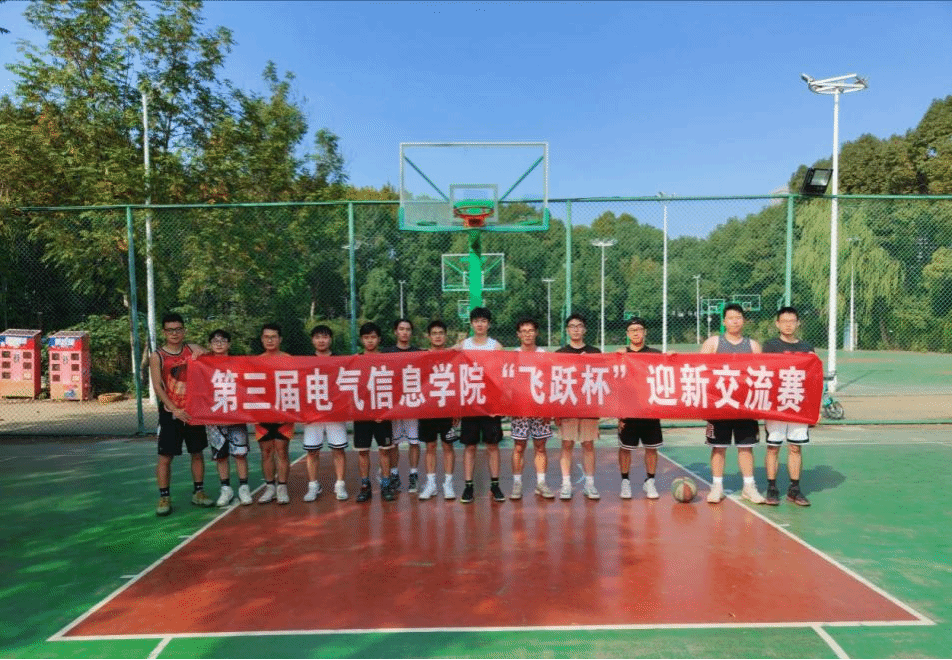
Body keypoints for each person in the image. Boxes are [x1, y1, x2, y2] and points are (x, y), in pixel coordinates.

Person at [699, 303, 766, 504]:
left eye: (738, 317)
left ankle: (749, 487)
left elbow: (763, 374)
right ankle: (717, 487)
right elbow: (698, 369)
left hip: (745, 405)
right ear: (724, 321)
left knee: (746, 447)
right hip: (719, 405)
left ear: (743, 321)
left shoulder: (753, 346)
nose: (735, 321)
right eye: (731, 318)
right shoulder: (713, 343)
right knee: (718, 447)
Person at [149, 313, 213, 516]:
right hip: (171, 413)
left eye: (178, 329)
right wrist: (174, 409)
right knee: (165, 456)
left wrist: (205, 353)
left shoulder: (192, 348)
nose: (174, 333)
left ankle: (199, 492)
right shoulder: (157, 356)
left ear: (184, 330)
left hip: (194, 411)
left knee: (197, 452)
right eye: (170, 330)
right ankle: (164, 496)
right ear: (164, 332)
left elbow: (215, 359)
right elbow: (158, 386)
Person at [762, 306, 813, 507]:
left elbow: (813, 378)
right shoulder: (770, 346)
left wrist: (814, 408)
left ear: (798, 323)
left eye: (792, 321)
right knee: (773, 447)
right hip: (776, 404)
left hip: (798, 404)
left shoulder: (806, 347)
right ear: (777, 324)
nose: (788, 325)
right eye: (784, 321)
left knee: (795, 447)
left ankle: (794, 489)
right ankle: (772, 487)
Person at [458, 307, 506, 504]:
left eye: (483, 321)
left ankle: (495, 485)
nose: (480, 324)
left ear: (489, 324)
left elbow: (502, 377)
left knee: (492, 445)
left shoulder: (496, 346)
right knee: (470, 446)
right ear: (471, 324)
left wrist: (499, 403)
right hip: (470, 402)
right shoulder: (464, 345)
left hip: (490, 404)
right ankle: (468, 486)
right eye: (476, 321)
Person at [204, 329, 253, 507]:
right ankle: (226, 489)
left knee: (240, 454)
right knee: (220, 456)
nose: (219, 344)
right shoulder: (204, 364)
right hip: (215, 417)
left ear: (229, 344)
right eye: (215, 341)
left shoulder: (238, 363)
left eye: (223, 340)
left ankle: (244, 488)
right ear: (210, 344)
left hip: (235, 414)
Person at [616, 317, 663, 500]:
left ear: (645, 332)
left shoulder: (655, 354)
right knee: (625, 448)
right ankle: (625, 481)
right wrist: (619, 412)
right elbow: (614, 383)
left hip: (650, 410)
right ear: (627, 334)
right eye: (632, 330)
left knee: (651, 448)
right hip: (628, 411)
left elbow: (670, 373)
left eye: (639, 329)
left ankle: (650, 481)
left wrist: (672, 358)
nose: (636, 333)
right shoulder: (620, 356)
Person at [555, 314, 601, 500]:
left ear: (585, 329)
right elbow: (555, 382)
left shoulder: (595, 352)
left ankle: (590, 484)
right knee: (567, 443)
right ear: (567, 330)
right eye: (572, 326)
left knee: (588, 444)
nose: (576, 329)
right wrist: (556, 411)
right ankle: (566, 484)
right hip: (568, 405)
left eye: (579, 326)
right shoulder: (559, 354)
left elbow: (601, 379)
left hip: (588, 406)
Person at [302, 325, 349, 502]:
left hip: (335, 412)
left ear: (330, 339)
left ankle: (340, 484)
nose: (321, 340)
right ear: (312, 340)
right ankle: (313, 485)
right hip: (312, 413)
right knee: (312, 452)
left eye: (325, 337)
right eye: (317, 337)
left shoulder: (341, 360)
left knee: (338, 449)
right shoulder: (305, 361)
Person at [509, 317, 555, 500]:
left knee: (540, 446)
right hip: (520, 409)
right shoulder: (513, 355)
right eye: (524, 331)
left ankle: (541, 483)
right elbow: (507, 382)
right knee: (519, 447)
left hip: (540, 408)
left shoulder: (544, 355)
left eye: (530, 331)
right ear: (518, 334)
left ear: (536, 333)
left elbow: (550, 381)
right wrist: (510, 406)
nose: (527, 334)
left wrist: (548, 408)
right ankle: (517, 484)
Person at [354, 322, 396, 502]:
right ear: (361, 340)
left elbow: (394, 386)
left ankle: (386, 484)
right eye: (366, 337)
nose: (370, 341)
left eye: (373, 337)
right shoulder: (355, 360)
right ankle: (365, 485)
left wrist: (385, 411)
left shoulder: (387, 359)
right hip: (362, 413)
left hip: (382, 414)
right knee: (363, 451)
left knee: (384, 451)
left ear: (379, 339)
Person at [418, 320, 459, 500]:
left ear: (446, 335)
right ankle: (431, 484)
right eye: (434, 333)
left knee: (448, 445)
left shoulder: (453, 356)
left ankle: (448, 483)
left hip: (447, 406)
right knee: (430, 446)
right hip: (428, 407)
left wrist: (456, 409)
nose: (437, 336)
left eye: (441, 333)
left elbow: (458, 382)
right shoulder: (422, 356)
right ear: (428, 336)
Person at [255, 323, 294, 505]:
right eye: (266, 337)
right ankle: (270, 487)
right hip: (262, 414)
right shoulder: (256, 361)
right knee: (266, 452)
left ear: (280, 339)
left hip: (283, 414)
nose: (270, 340)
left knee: (281, 450)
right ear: (262, 339)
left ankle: (282, 487)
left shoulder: (288, 359)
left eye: (273, 337)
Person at [382, 318, 421, 492]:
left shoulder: (419, 353)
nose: (405, 332)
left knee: (414, 442)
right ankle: (394, 474)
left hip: (412, 403)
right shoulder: (386, 353)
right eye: (401, 329)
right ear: (395, 332)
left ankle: (413, 474)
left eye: (408, 329)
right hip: (394, 405)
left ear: (411, 332)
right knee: (394, 443)